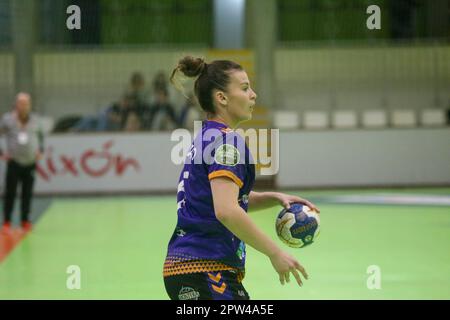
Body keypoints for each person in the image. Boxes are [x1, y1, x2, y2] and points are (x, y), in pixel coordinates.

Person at [163, 56, 320, 300]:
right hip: (207, 269)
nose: (253, 95)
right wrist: (275, 252)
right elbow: (226, 210)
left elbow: (223, 198)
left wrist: (274, 197)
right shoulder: (227, 141)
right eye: (245, 88)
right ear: (222, 98)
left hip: (186, 268)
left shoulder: (205, 137)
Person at [0, 93, 44, 232]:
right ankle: (7, 221)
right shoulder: (8, 120)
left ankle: (25, 220)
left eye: (26, 104)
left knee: (27, 193)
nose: (23, 106)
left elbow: (40, 136)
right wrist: (1, 153)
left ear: (29, 105)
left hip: (30, 161)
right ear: (16, 104)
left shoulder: (35, 120)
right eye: (21, 103)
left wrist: (40, 151)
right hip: (14, 162)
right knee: (10, 193)